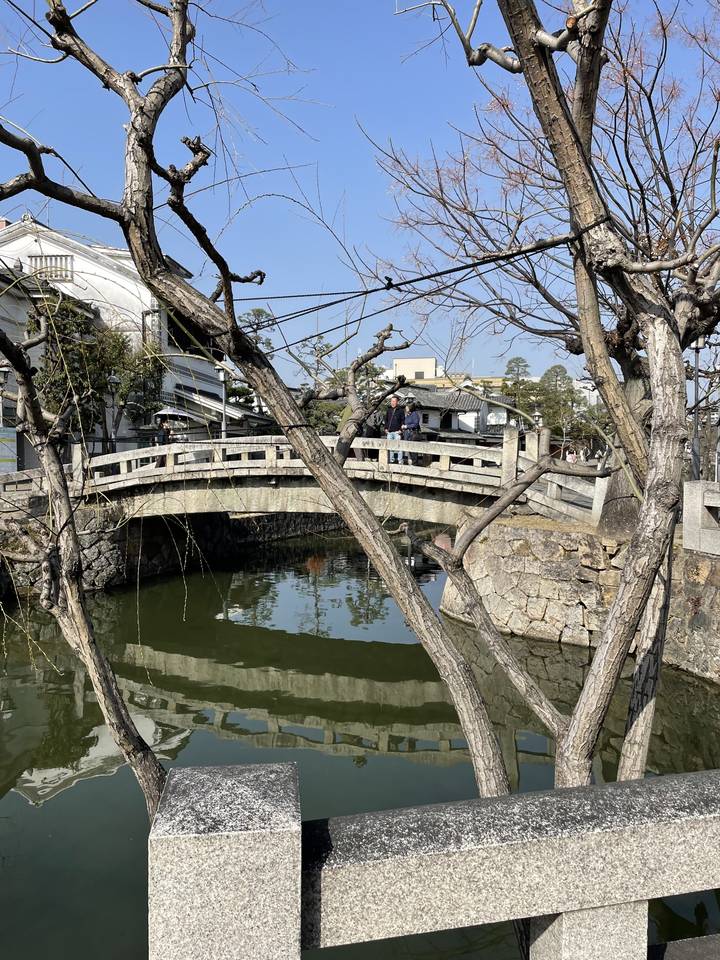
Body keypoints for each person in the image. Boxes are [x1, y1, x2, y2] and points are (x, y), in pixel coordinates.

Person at [385, 395, 405, 464]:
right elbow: (386, 420)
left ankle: (400, 461)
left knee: (399, 447)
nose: (392, 403)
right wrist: (385, 428)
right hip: (389, 432)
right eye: (392, 401)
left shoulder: (401, 411)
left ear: (397, 402)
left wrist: (401, 430)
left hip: (397, 432)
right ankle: (391, 460)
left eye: (394, 401)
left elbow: (403, 421)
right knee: (390, 448)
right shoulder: (389, 410)